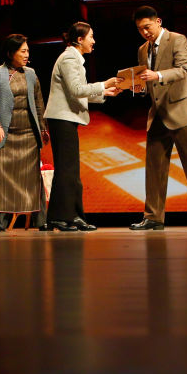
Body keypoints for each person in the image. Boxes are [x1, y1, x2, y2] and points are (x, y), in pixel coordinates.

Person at [129, 5, 187, 231]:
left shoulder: (177, 40)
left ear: (158, 21)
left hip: (180, 110)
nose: (145, 32)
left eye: (147, 27)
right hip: (158, 113)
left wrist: (157, 75)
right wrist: (137, 87)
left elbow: (182, 70)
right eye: (140, 29)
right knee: (154, 167)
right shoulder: (142, 50)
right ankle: (153, 218)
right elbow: (146, 82)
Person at [43, 22, 122, 231]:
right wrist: (104, 84)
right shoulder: (69, 58)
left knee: (70, 170)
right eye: (91, 37)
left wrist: (104, 93)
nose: (93, 41)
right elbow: (77, 90)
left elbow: (77, 92)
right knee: (67, 169)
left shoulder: (74, 57)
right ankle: (63, 217)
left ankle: (70, 216)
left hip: (66, 118)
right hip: (62, 118)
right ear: (80, 40)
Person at [0, 33, 49, 232]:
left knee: (33, 179)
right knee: (2, 180)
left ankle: (41, 220)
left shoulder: (31, 73)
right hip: (6, 135)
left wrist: (43, 128)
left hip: (28, 134)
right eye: (23, 51)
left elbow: (38, 103)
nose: (27, 55)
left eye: (28, 51)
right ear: (10, 53)